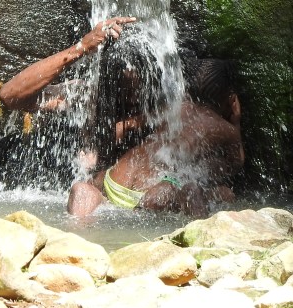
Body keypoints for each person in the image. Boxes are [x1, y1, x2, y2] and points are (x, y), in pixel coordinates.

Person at [67, 59, 244, 217]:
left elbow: (128, 125)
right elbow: (235, 165)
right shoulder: (226, 129)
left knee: (87, 187)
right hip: (153, 193)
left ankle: (82, 208)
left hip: (116, 180)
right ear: (231, 99)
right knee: (218, 192)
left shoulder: (174, 108)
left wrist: (100, 148)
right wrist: (236, 122)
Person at [0, 16, 137, 112]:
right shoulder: (89, 94)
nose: (125, 71)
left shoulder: (156, 120)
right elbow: (10, 95)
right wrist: (82, 47)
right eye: (119, 67)